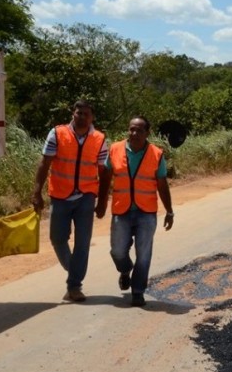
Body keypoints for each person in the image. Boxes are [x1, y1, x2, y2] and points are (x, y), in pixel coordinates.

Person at [31, 99, 109, 303]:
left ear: (92, 117)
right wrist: (36, 192)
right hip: (60, 195)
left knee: (82, 243)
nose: (81, 116)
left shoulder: (100, 139)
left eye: (86, 114)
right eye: (78, 113)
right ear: (73, 114)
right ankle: (74, 271)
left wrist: (102, 201)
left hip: (86, 196)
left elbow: (104, 172)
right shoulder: (57, 134)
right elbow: (44, 163)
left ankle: (74, 286)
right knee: (57, 239)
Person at [102, 116, 174, 307]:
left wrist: (170, 211)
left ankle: (138, 291)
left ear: (147, 133)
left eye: (139, 130)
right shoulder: (115, 149)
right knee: (117, 251)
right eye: (131, 129)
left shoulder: (156, 154)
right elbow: (106, 176)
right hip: (121, 210)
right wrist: (101, 202)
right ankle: (125, 270)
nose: (134, 133)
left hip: (146, 212)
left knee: (144, 254)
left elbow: (162, 184)